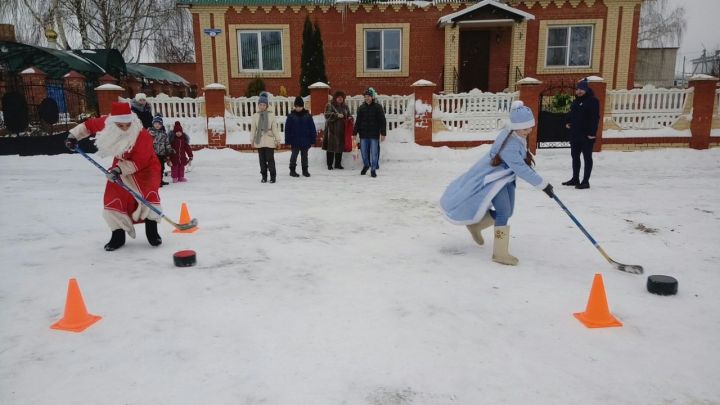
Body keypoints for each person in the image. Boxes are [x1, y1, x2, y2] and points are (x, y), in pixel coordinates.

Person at [440, 101, 555, 266]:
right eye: (525, 128)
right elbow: (520, 168)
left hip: (505, 177)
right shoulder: (510, 143)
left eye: (530, 127)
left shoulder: (515, 134)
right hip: (495, 179)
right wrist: (543, 185)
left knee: (508, 211)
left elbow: (521, 163)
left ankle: (477, 225)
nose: (528, 131)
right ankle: (500, 253)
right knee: (504, 212)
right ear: (515, 126)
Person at [64, 101, 162, 251]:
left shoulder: (141, 135)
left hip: (146, 168)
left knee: (149, 195)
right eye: (120, 125)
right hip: (120, 165)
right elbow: (89, 125)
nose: (124, 128)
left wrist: (118, 170)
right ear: (113, 122)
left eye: (127, 124)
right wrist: (73, 136)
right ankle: (118, 235)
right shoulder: (107, 123)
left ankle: (152, 231)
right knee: (113, 197)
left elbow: (140, 160)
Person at [563, 78, 600, 189]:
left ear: (587, 90)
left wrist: (592, 133)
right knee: (575, 157)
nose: (579, 91)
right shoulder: (576, 101)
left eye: (582, 89)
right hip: (575, 134)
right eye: (578, 89)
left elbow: (595, 118)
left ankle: (585, 181)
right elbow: (572, 113)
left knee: (587, 157)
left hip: (587, 135)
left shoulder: (593, 101)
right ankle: (575, 178)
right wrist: (568, 121)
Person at [354, 87, 386, 178]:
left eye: (368, 96)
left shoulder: (378, 107)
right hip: (363, 134)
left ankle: (373, 169)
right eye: (365, 96)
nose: (367, 98)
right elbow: (358, 121)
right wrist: (354, 133)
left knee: (374, 152)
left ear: (372, 97)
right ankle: (366, 165)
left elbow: (382, 121)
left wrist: (383, 133)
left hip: (374, 134)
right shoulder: (361, 108)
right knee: (364, 152)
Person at [251, 92, 282, 183]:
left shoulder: (271, 115)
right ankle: (264, 176)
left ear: (267, 105)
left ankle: (273, 177)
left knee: (270, 159)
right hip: (259, 140)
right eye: (260, 104)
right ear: (258, 105)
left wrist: (278, 140)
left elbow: (275, 129)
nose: (262, 106)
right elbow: (253, 129)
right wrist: (252, 140)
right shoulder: (255, 116)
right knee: (262, 160)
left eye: (264, 104)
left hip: (269, 140)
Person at [284, 96, 317, 178]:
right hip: (294, 140)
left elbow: (312, 128)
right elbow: (287, 129)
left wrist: (313, 140)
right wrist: (288, 141)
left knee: (304, 156)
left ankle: (305, 170)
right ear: (294, 106)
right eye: (297, 106)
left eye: (300, 106)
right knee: (294, 155)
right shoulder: (291, 116)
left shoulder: (308, 116)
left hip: (305, 140)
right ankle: (292, 170)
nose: (298, 108)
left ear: (303, 106)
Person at [323, 90, 351, 170]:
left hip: (342, 130)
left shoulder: (345, 106)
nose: (340, 99)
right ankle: (329, 165)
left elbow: (348, 114)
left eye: (341, 98)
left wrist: (349, 117)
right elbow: (326, 115)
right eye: (338, 97)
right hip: (332, 130)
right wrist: (336, 115)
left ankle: (338, 164)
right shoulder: (330, 105)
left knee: (340, 147)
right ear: (335, 98)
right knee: (331, 148)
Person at [148, 114, 173, 187]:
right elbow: (146, 143)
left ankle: (160, 181)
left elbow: (167, 143)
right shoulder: (150, 132)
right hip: (153, 155)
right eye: (155, 124)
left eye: (159, 124)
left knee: (161, 168)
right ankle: (154, 182)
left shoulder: (164, 134)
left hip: (161, 154)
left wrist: (169, 150)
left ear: (161, 125)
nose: (157, 125)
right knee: (154, 169)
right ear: (153, 124)